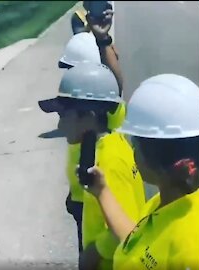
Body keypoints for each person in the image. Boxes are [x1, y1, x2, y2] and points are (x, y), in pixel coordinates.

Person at [83, 74, 199, 270]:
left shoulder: (192, 249)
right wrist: (102, 191)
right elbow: (136, 242)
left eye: (135, 144)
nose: (132, 150)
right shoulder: (162, 204)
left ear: (150, 160)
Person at [38, 63, 146, 270]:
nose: (60, 126)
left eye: (64, 116)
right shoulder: (113, 143)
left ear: (89, 116)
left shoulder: (108, 161)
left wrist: (92, 254)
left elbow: (124, 230)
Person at [50, 6, 127, 254]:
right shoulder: (84, 116)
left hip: (93, 202)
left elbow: (114, 85)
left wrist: (103, 40)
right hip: (81, 197)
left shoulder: (105, 112)